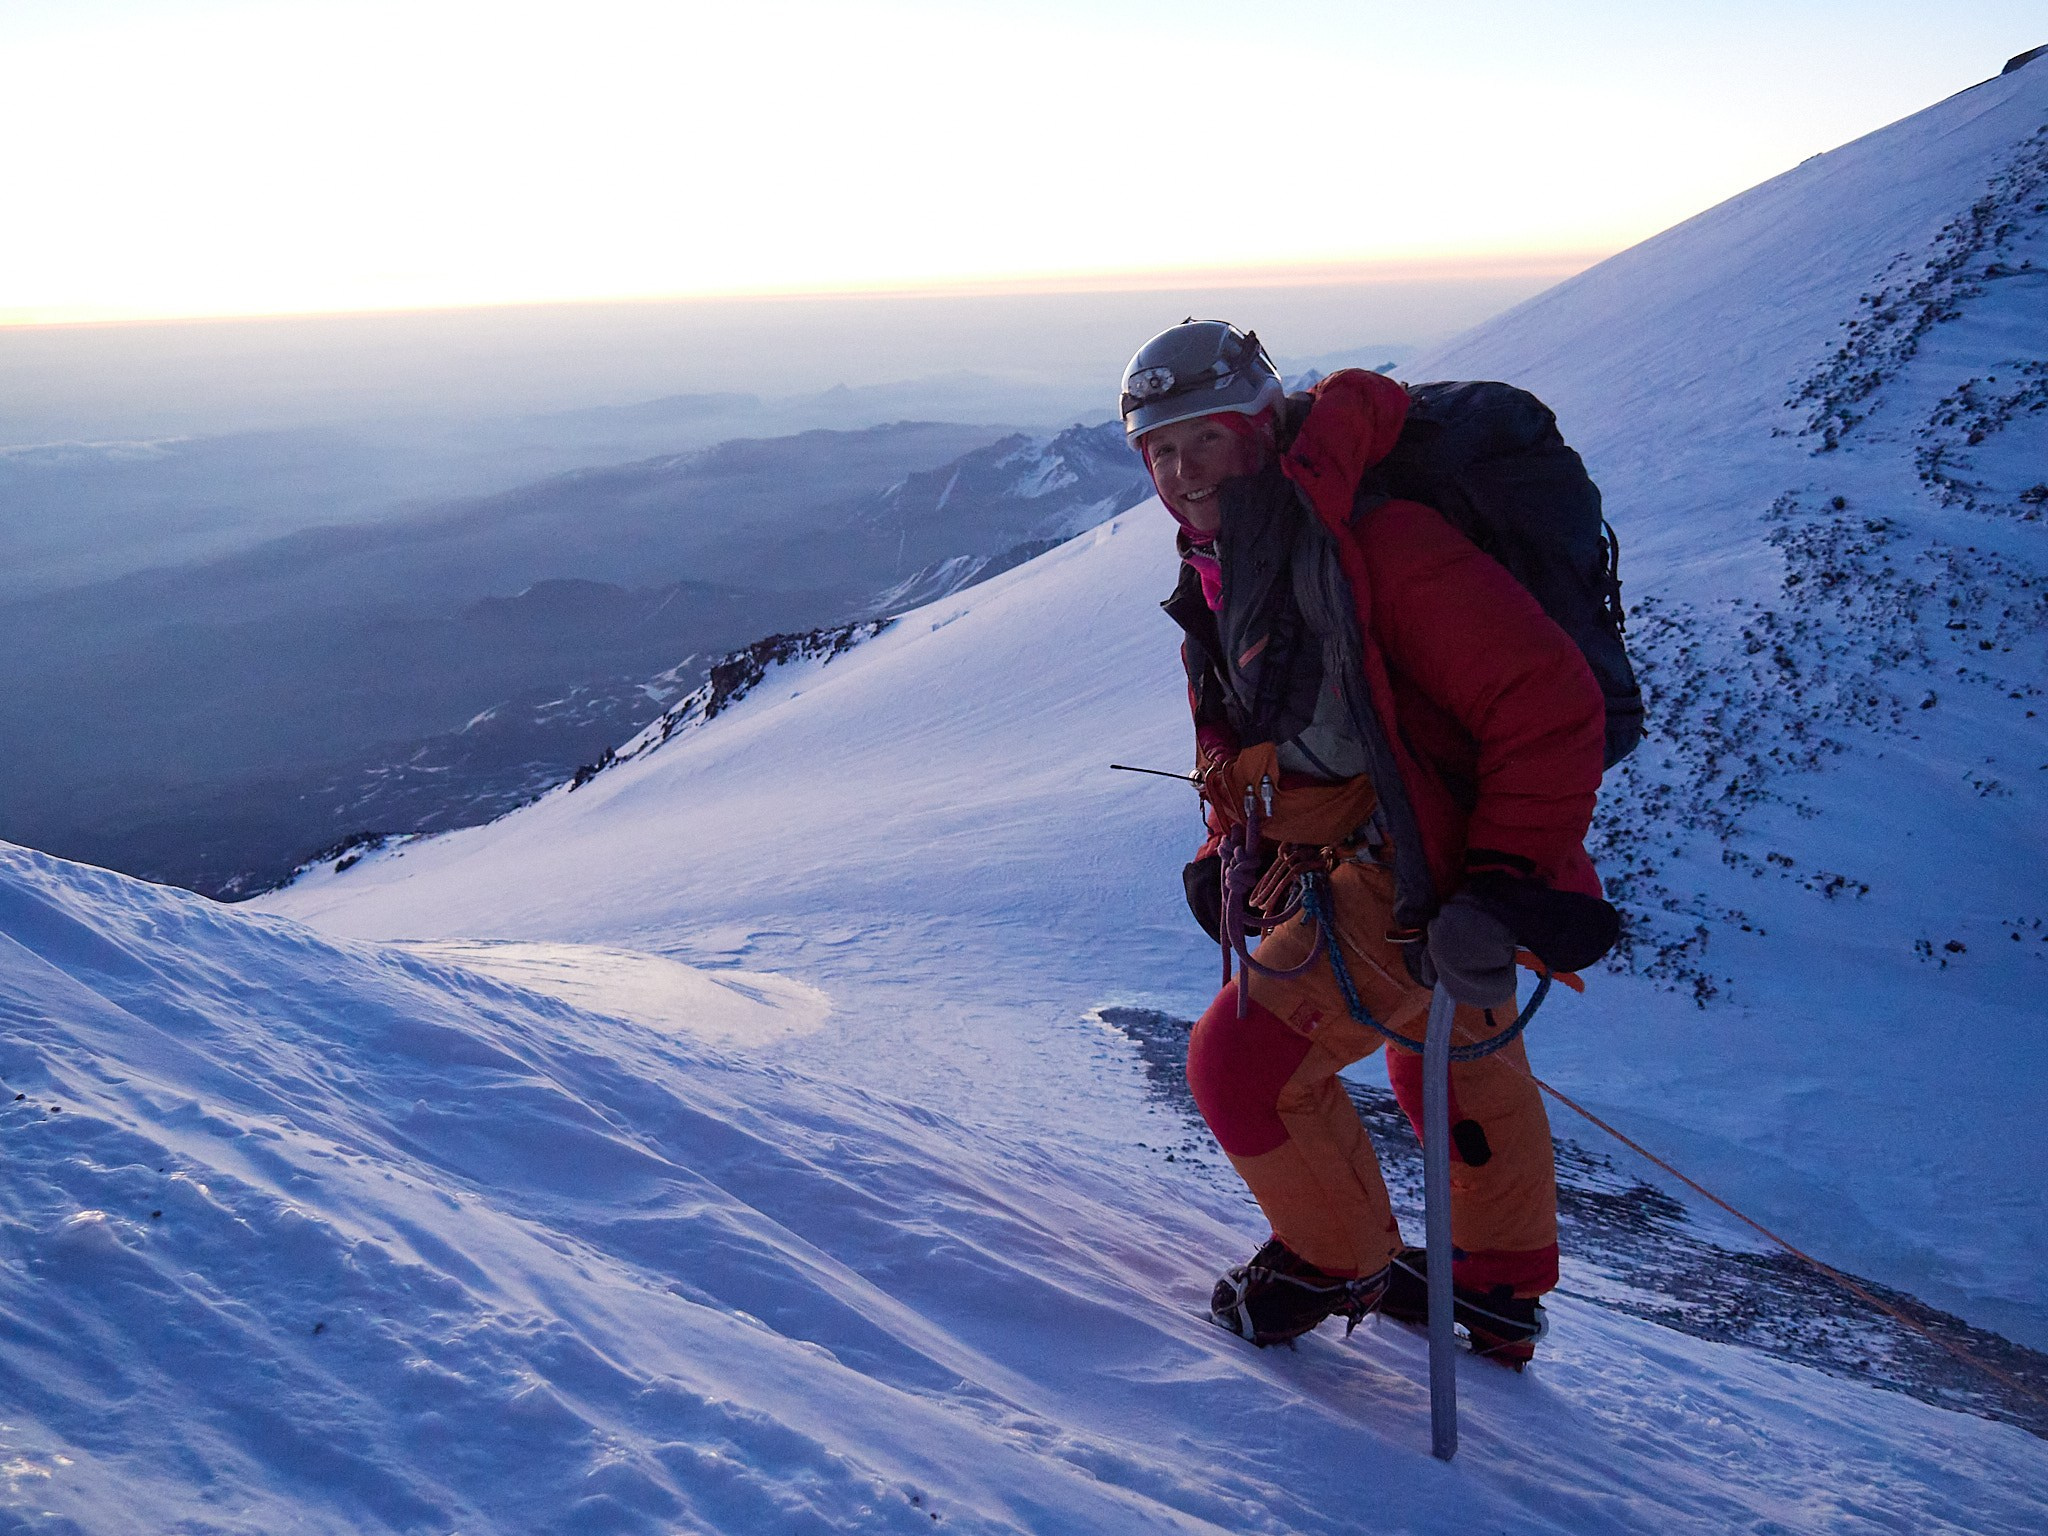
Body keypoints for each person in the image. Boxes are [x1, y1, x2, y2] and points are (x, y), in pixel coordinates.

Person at [1120, 320, 1614, 1366]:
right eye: (1158, 450)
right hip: (1397, 851)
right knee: (1450, 1061)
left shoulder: (1370, 541)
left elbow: (1543, 701)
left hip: (1428, 867)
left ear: (1262, 425)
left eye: (1201, 438)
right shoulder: (1236, 554)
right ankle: (1491, 1282)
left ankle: (1330, 1258)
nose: (1179, 468)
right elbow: (1250, 728)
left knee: (1238, 1064)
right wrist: (1231, 846)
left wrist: (1499, 889)